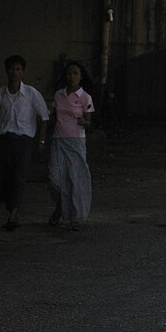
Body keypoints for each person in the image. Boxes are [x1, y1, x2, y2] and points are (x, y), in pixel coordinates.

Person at [0, 55, 50, 231]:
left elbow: (44, 117)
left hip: (24, 141)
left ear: (23, 72)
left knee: (19, 177)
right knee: (5, 177)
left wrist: (41, 140)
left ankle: (13, 213)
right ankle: (11, 207)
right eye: (11, 69)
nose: (14, 73)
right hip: (5, 140)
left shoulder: (31, 94)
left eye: (18, 69)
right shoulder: (0, 94)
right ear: (6, 71)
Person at [48, 62, 95, 231]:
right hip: (58, 139)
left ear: (81, 76)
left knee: (76, 178)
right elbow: (53, 116)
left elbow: (89, 122)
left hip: (76, 140)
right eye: (69, 73)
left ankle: (76, 215)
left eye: (75, 73)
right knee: (54, 175)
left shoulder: (85, 97)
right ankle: (62, 204)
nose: (72, 77)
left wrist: (84, 121)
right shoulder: (59, 95)